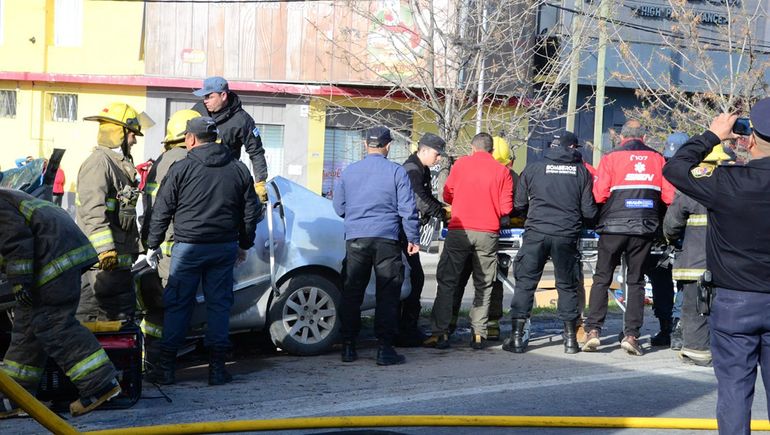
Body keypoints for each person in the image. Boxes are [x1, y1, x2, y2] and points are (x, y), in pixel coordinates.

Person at [663, 104, 770, 434]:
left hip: (734, 302)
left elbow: (677, 168)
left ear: (750, 140)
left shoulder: (726, 181)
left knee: (735, 391)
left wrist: (712, 134)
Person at [145, 116, 262, 385]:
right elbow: (250, 212)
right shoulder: (238, 169)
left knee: (177, 306)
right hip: (223, 248)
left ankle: (166, 368)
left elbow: (162, 210)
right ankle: (217, 369)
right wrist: (244, 244)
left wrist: (152, 244)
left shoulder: (180, 168)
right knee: (219, 306)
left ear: (191, 139)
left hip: (188, 248)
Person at [0, 188, 120, 418]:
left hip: (54, 260)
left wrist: (19, 281)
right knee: (27, 328)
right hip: (53, 254)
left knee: (52, 324)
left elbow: (16, 240)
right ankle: (15, 396)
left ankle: (100, 383)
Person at [582, 120, 675, 356]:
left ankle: (593, 331)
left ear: (621, 137)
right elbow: (669, 197)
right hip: (644, 228)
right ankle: (632, 336)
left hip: (612, 227)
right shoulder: (658, 158)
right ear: (644, 137)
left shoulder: (611, 157)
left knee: (602, 277)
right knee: (635, 281)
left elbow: (599, 193)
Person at [502, 132, 596, 354]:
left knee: (525, 284)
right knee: (567, 286)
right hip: (566, 234)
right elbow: (589, 211)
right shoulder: (581, 171)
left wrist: (532, 217)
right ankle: (571, 341)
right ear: (571, 147)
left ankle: (516, 338)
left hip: (536, 233)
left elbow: (519, 204)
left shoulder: (533, 168)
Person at [333, 126, 420, 366]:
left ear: (365, 145)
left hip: (356, 239)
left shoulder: (349, 172)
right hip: (387, 238)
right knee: (388, 294)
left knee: (351, 293)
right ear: (388, 146)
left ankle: (348, 347)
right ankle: (384, 349)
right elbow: (407, 209)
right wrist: (413, 238)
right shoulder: (396, 172)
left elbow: (339, 207)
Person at [426, 133, 513, 350]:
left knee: (448, 281)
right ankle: (478, 333)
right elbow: (506, 208)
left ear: (473, 148)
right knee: (484, 284)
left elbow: (447, 194)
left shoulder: (461, 165)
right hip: (488, 233)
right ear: (492, 151)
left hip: (459, 230)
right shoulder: (503, 171)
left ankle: (440, 332)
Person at [138, 109, 200, 372]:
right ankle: (159, 361)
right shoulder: (187, 160)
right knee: (171, 305)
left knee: (156, 306)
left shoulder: (160, 161)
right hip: (175, 247)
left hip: (156, 244)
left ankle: (149, 357)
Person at [76, 102, 150, 322]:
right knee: (118, 317)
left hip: (112, 260)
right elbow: (92, 210)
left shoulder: (116, 164)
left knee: (90, 317)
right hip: (106, 261)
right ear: (119, 133)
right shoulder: (100, 163)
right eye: (132, 135)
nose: (135, 140)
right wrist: (106, 249)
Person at [663, 144, 732, 367]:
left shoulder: (690, 185)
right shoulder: (732, 184)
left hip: (693, 261)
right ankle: (722, 349)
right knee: (722, 306)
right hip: (725, 263)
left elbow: (672, 224)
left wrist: (671, 240)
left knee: (693, 306)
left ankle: (697, 349)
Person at [397, 132, 448, 347]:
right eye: (437, 155)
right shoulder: (412, 170)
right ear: (424, 150)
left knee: (413, 280)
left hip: (406, 232)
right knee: (414, 279)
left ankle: (406, 328)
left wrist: (440, 207)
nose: (439, 159)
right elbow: (418, 199)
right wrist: (441, 212)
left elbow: (426, 197)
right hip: (402, 233)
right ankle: (405, 332)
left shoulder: (421, 168)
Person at [192, 76, 269, 202]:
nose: (205, 101)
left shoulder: (242, 121)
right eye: (204, 97)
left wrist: (260, 182)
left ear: (223, 95)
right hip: (197, 175)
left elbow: (256, 152)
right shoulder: (198, 110)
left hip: (225, 179)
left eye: (209, 97)